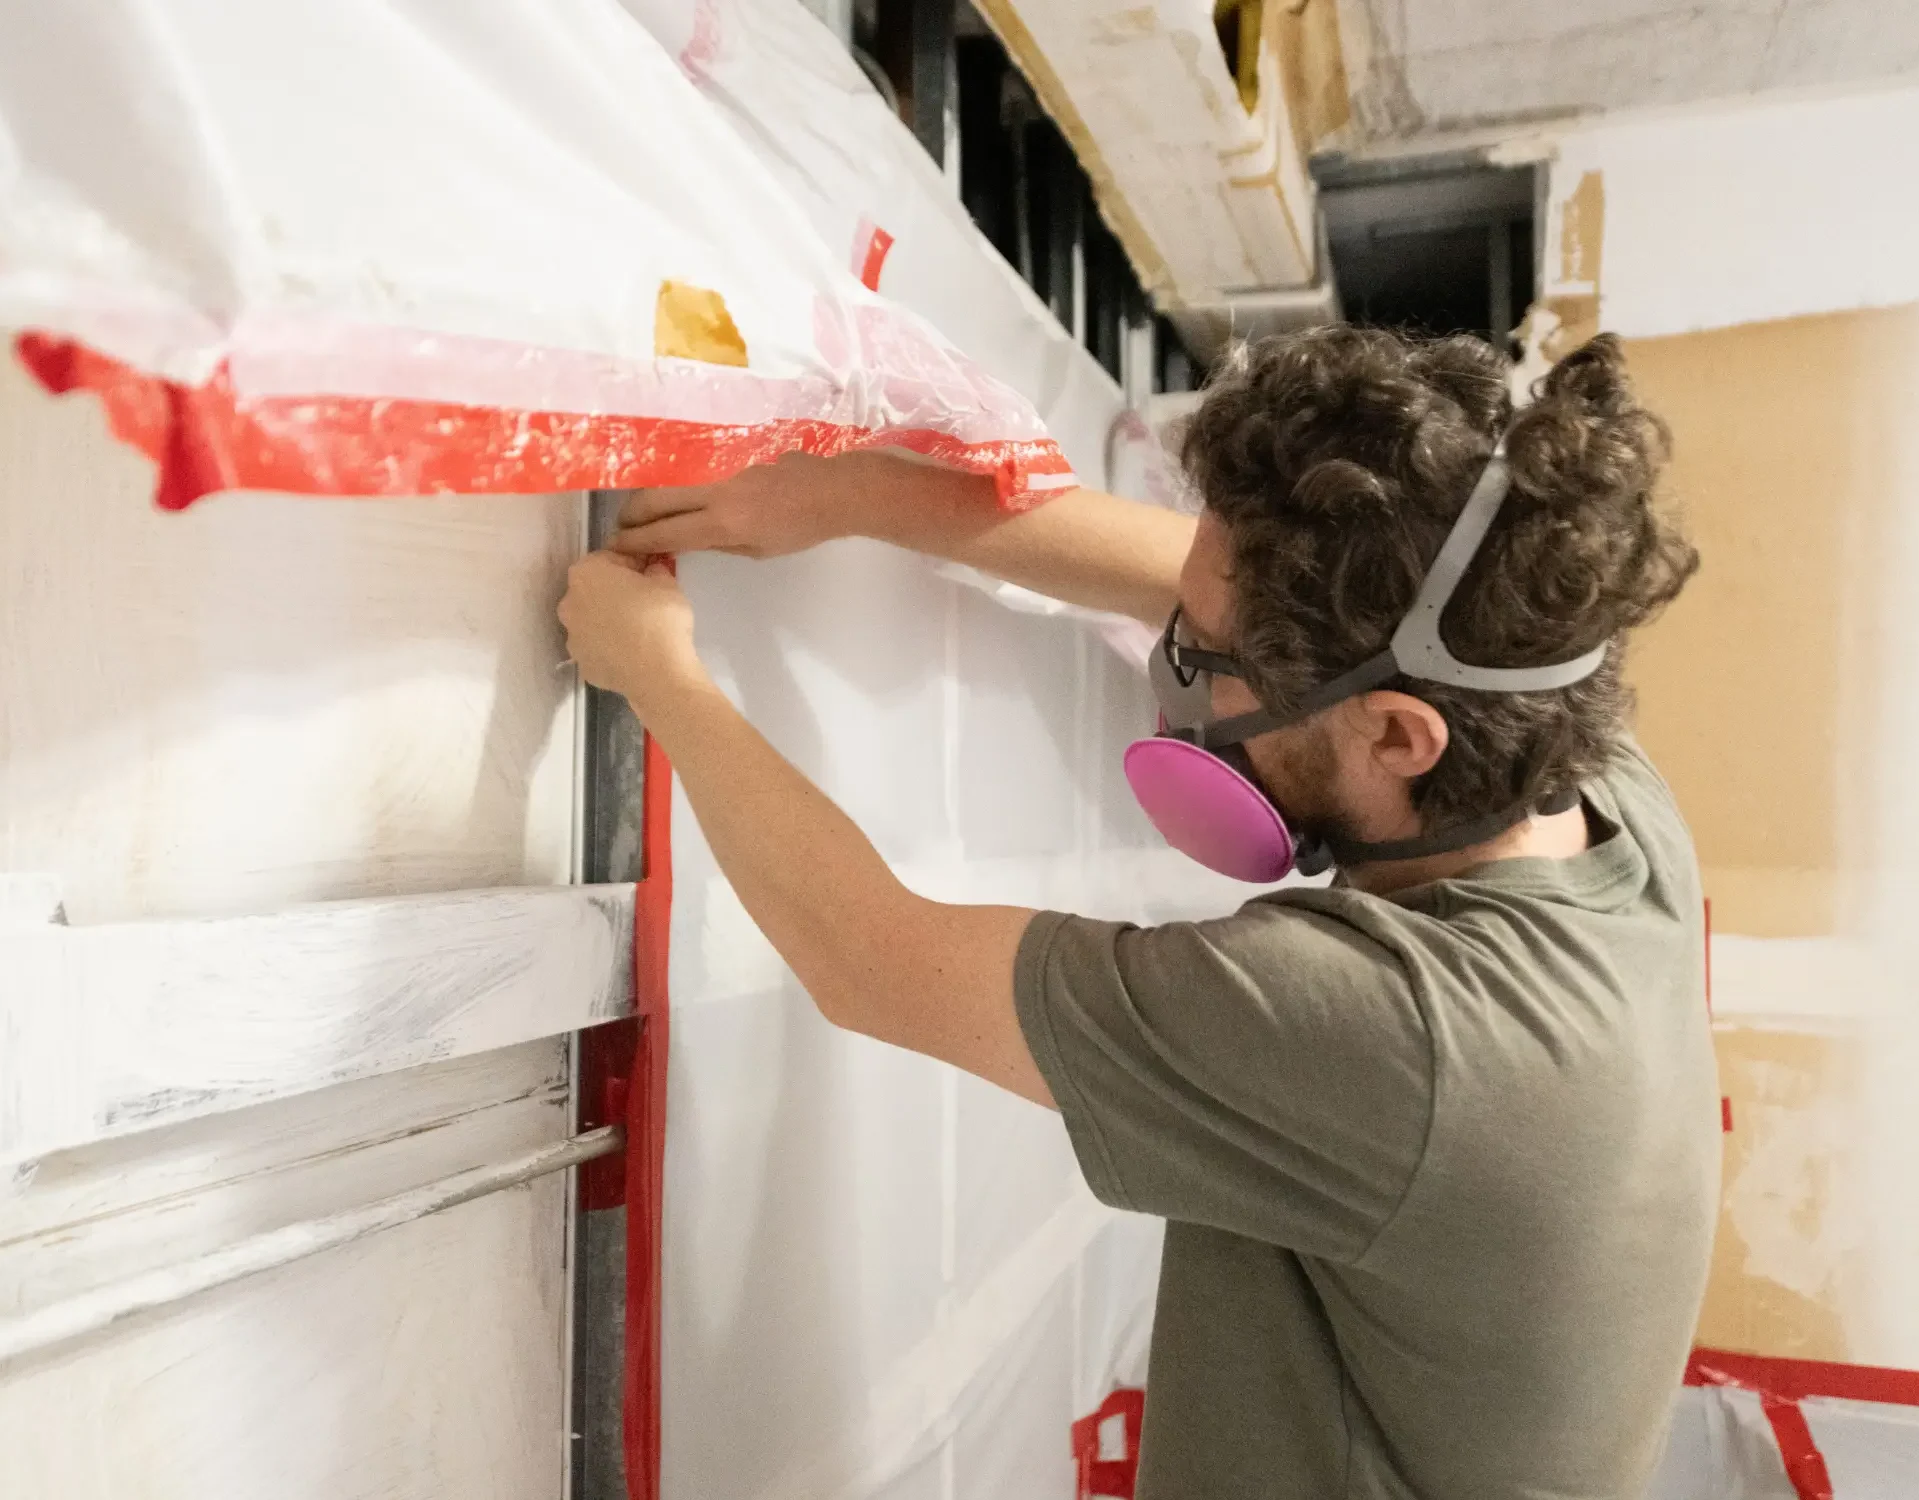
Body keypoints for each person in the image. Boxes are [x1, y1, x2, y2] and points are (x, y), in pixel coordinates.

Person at [558, 326, 1718, 1500]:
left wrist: (662, 675)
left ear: (1397, 736)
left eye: (1213, 663)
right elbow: (1208, 577)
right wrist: (854, 491)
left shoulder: (1405, 1038)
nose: (1180, 677)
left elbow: (876, 963)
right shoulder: (1582, 770)